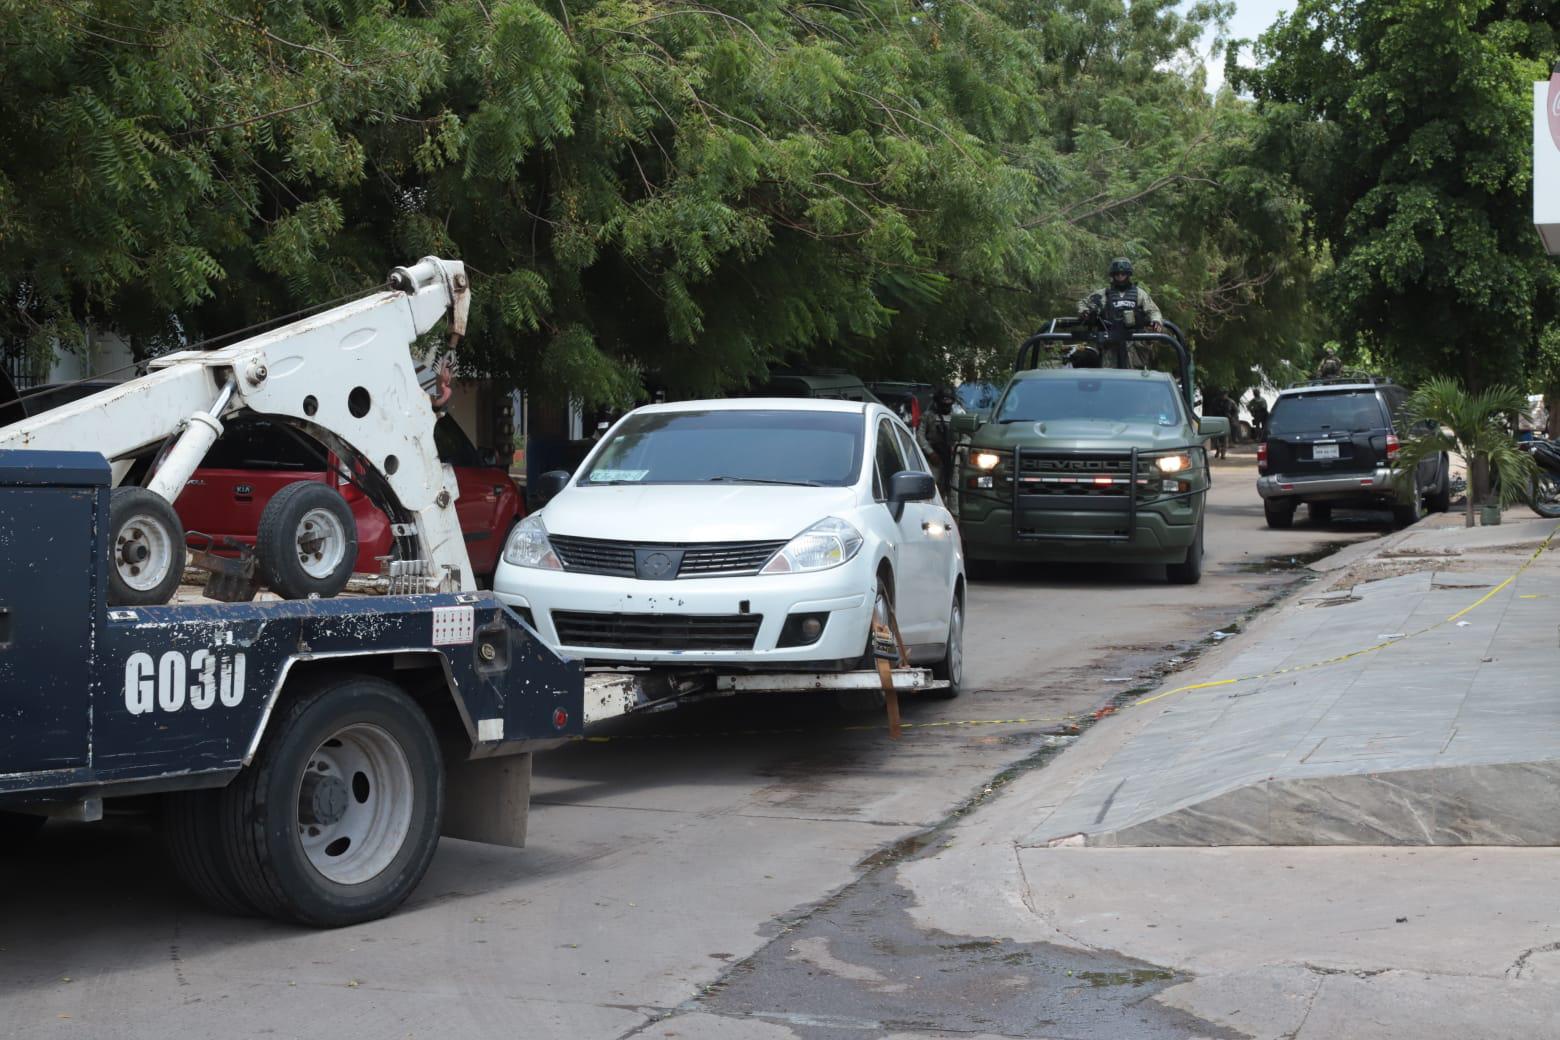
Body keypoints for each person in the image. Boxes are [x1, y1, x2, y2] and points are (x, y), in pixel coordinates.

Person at [1077, 258, 1162, 368]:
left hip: (1133, 343)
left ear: (1128, 274)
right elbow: (1083, 303)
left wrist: (1156, 321)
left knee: (1135, 375)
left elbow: (1153, 310)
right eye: (1117, 274)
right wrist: (1085, 312)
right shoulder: (1103, 294)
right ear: (1113, 275)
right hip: (1110, 342)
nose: (1120, 276)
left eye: (1123, 273)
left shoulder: (1139, 294)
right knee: (1110, 375)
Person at [917, 385, 958, 495]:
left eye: (948, 401)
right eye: (943, 400)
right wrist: (931, 453)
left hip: (951, 458)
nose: (946, 404)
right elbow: (920, 436)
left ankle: (953, 511)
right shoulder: (928, 416)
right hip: (933, 457)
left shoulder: (957, 418)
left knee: (954, 489)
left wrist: (957, 449)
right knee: (932, 486)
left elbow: (965, 438)